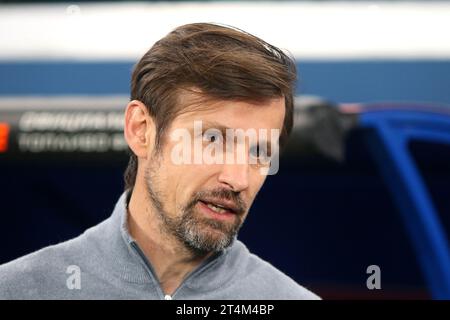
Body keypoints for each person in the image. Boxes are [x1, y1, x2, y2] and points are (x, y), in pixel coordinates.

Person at [0, 23, 320, 300]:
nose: (238, 179)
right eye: (213, 140)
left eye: (259, 153)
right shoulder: (19, 289)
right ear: (141, 131)